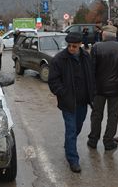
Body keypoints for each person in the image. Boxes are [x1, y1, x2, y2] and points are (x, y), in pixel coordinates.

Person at [48, 32, 94, 173]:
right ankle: (73, 160)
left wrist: (92, 93)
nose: (71, 48)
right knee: (71, 129)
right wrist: (63, 93)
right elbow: (53, 81)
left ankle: (69, 145)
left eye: (74, 46)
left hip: (83, 101)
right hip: (68, 102)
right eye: (69, 46)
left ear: (80, 45)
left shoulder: (86, 56)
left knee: (77, 127)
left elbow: (91, 75)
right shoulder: (59, 59)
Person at [87, 26, 118, 151]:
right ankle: (108, 141)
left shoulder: (96, 47)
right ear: (115, 36)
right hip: (116, 88)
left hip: (99, 88)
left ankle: (93, 140)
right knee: (113, 115)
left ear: (103, 35)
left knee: (96, 114)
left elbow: (91, 69)